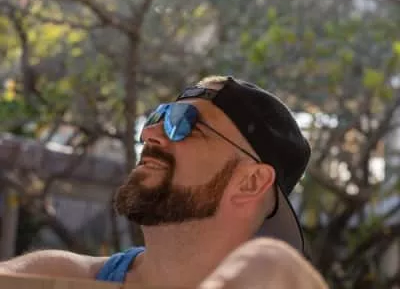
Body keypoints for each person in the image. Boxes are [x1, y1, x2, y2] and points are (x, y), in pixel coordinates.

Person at [0, 75, 328, 288]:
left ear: (251, 182)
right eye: (158, 116)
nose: (148, 133)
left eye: (184, 123)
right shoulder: (54, 277)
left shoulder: (278, 274)